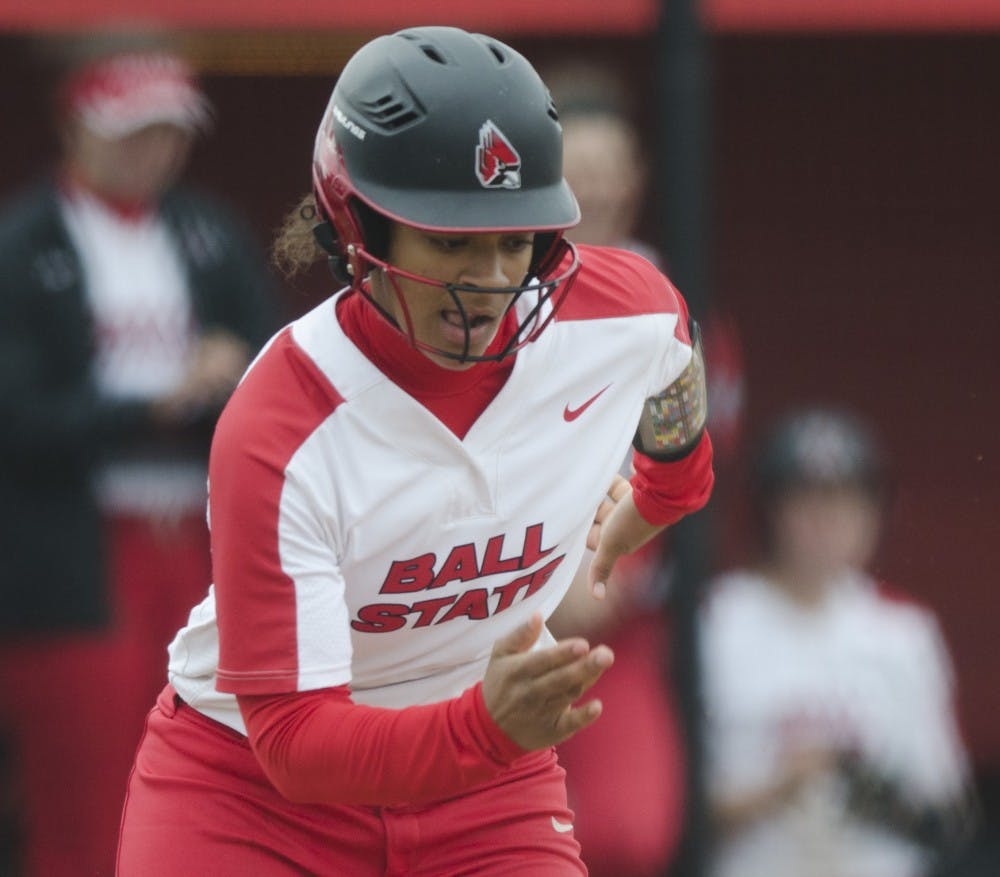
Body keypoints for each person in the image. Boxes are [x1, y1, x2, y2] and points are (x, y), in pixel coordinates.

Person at [116, 25, 715, 876]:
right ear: (358, 225)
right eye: (452, 241)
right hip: (253, 797)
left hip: (485, 792)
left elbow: (673, 350)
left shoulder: (615, 310)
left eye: (516, 240)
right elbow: (294, 742)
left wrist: (663, 490)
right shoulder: (282, 423)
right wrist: (485, 727)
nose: (492, 280)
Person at [0, 35, 274, 877]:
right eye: (132, 129)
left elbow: (273, 368)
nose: (152, 150)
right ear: (77, 121)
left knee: (217, 773)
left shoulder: (208, 234)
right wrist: (149, 405)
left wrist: (215, 390)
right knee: (86, 795)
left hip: (196, 539)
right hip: (80, 554)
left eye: (168, 130)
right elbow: (19, 413)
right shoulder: (25, 245)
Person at [544, 67, 744, 877]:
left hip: (624, 619)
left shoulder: (678, 311)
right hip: (488, 608)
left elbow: (690, 470)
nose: (596, 192)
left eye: (608, 172)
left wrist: (612, 569)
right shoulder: (496, 299)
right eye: (574, 174)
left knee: (627, 832)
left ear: (637, 179)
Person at [700, 408, 974, 877]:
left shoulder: (904, 634)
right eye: (807, 501)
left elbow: (949, 814)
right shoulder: (716, 623)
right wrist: (786, 784)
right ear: (769, 512)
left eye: (846, 502)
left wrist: (869, 787)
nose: (827, 521)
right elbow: (669, 811)